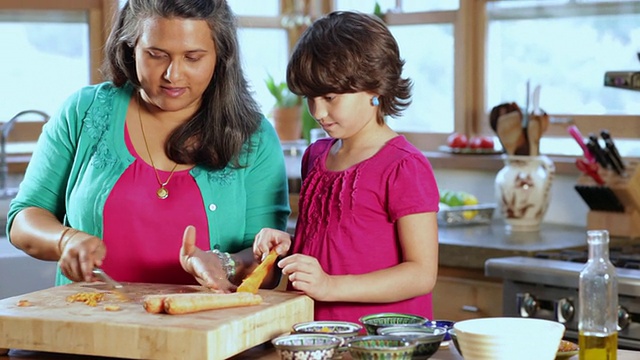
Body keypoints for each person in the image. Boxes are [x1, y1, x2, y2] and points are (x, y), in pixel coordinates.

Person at [7, 0, 290, 291]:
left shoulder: (253, 136)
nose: (173, 74)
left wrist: (224, 263)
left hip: (205, 332)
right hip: (88, 324)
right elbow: (24, 218)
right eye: (156, 55)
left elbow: (268, 266)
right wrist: (64, 240)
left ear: (221, 56)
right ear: (131, 48)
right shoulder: (83, 112)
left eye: (193, 58)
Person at [253, 11, 440, 323]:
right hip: (311, 332)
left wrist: (330, 285)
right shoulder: (315, 156)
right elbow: (329, 244)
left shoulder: (404, 166)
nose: (318, 111)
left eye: (330, 97)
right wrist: (288, 247)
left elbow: (421, 274)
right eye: (310, 98)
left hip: (375, 344)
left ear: (375, 87)